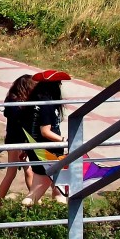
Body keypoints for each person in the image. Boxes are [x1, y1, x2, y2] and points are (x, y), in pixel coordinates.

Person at [23, 70, 72, 206]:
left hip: (36, 148)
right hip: (47, 151)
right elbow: (45, 131)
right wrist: (64, 141)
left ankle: (59, 210)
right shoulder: (47, 105)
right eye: (59, 84)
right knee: (39, 190)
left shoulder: (34, 102)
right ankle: (23, 211)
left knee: (58, 184)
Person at [0, 74, 37, 200]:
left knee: (26, 171)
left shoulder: (11, 101)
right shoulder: (19, 106)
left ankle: (34, 199)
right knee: (13, 172)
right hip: (17, 140)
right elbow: (22, 124)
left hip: (14, 139)